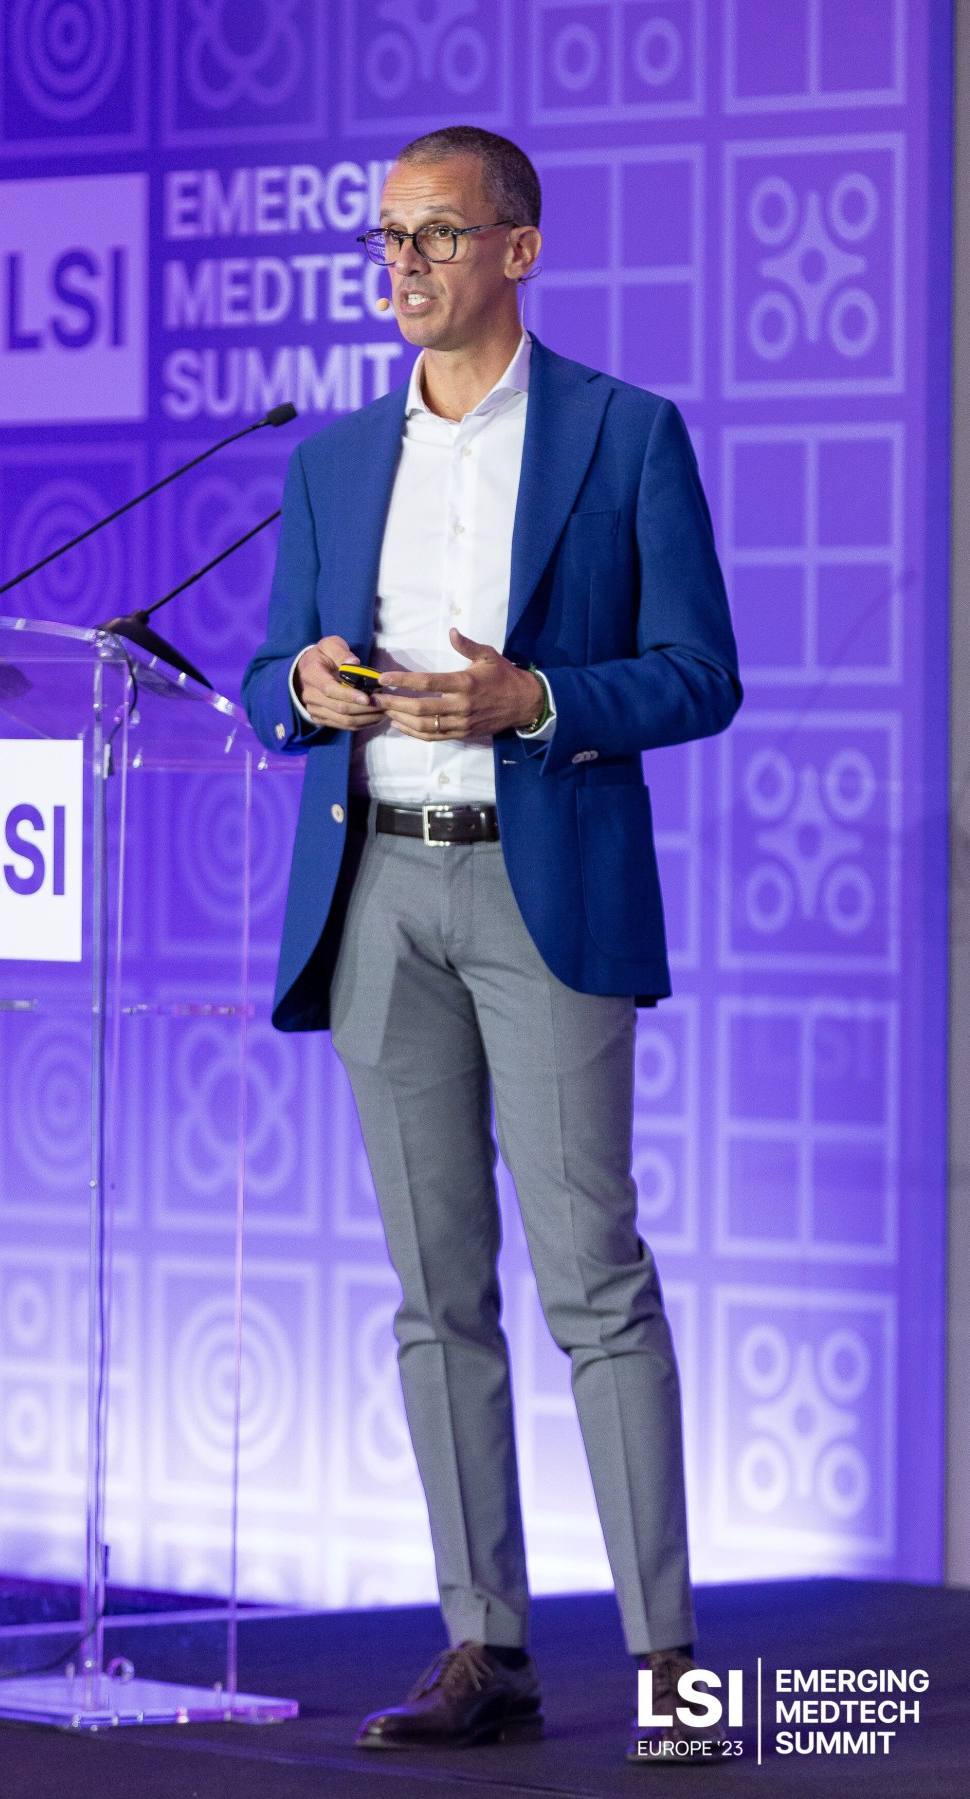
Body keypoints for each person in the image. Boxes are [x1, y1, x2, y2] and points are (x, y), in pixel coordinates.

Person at [241, 124, 741, 1762]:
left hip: (545, 898)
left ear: (518, 249)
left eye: (437, 235)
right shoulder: (331, 463)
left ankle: (671, 1673)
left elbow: (701, 674)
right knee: (433, 1294)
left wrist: (537, 699)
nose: (404, 264)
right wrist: (300, 688)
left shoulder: (623, 433)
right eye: (386, 237)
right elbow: (267, 678)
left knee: (596, 1280)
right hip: (381, 890)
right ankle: (485, 1650)